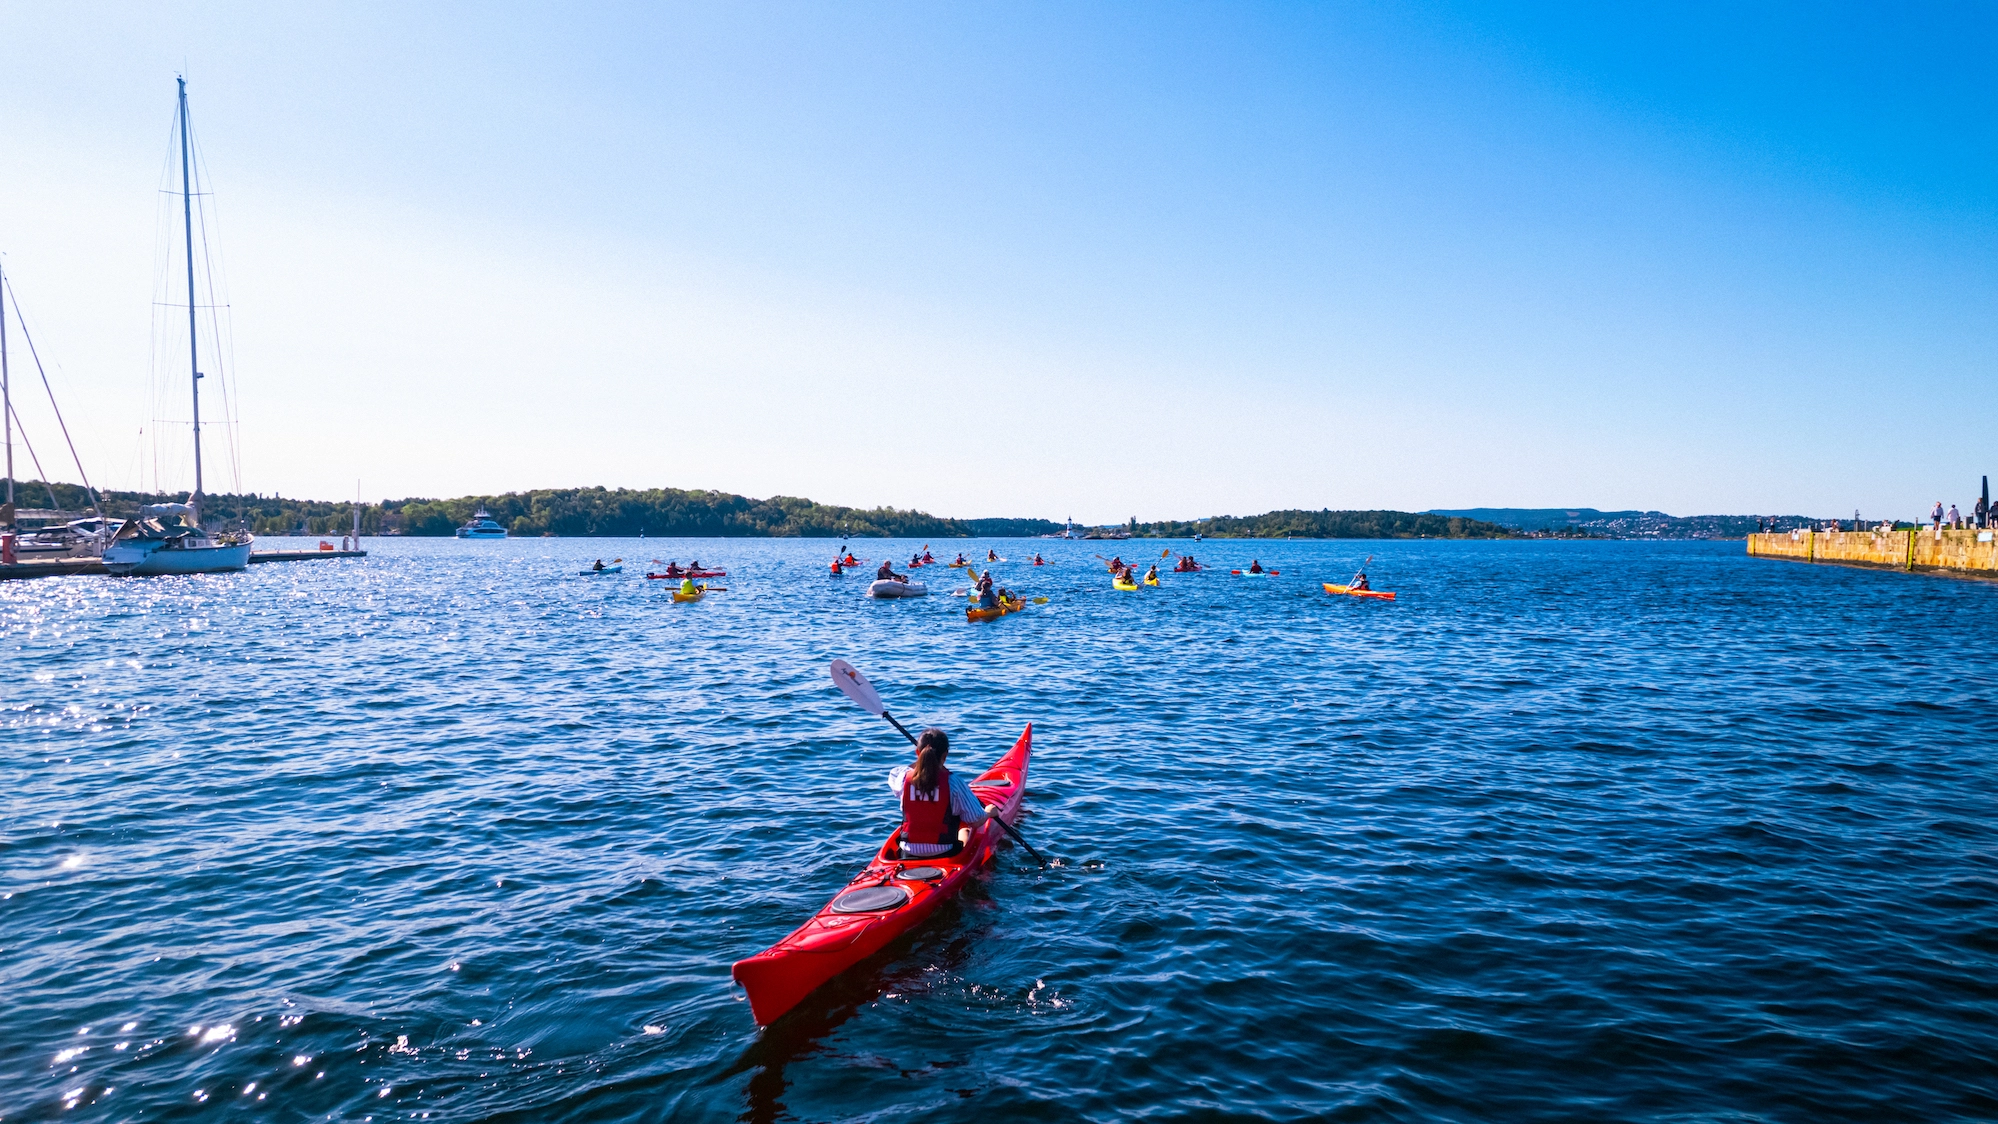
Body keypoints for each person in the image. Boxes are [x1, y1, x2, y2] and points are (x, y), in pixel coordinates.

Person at [889, 728, 993, 858]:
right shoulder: (954, 782)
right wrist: (989, 812)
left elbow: (895, 773)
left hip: (908, 852)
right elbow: (975, 820)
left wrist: (922, 759)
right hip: (944, 853)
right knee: (964, 825)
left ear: (917, 753)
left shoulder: (903, 778)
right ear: (945, 756)